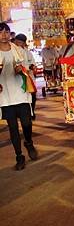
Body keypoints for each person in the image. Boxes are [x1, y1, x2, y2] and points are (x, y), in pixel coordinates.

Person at [0, 23, 38, 170]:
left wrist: (21, 69)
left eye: (6, 31)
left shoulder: (19, 51)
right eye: (1, 32)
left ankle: (28, 142)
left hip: (21, 93)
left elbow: (28, 68)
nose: (4, 34)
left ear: (10, 34)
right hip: (5, 96)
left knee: (27, 123)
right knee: (13, 128)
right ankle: (19, 156)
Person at [13, 34, 37, 119]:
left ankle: (32, 112)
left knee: (32, 95)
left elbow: (31, 61)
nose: (20, 44)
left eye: (22, 42)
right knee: (23, 97)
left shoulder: (26, 51)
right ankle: (25, 114)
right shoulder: (14, 50)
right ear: (15, 40)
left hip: (29, 76)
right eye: (19, 41)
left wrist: (33, 66)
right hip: (19, 77)